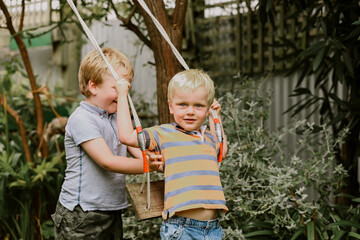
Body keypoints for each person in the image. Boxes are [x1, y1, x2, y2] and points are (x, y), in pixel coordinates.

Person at [51, 47, 162, 240]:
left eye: (127, 88)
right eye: (117, 88)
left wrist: (156, 159)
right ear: (93, 86)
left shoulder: (117, 116)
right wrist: (148, 165)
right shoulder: (82, 119)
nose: (124, 95)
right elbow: (107, 161)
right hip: (82, 214)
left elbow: (138, 148)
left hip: (111, 209)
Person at [116, 69, 228, 239]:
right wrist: (122, 96)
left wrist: (215, 117)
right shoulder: (163, 134)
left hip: (213, 229)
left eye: (198, 105)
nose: (190, 111)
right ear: (170, 106)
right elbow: (126, 136)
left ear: (207, 109)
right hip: (182, 228)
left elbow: (222, 151)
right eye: (183, 104)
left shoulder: (209, 138)